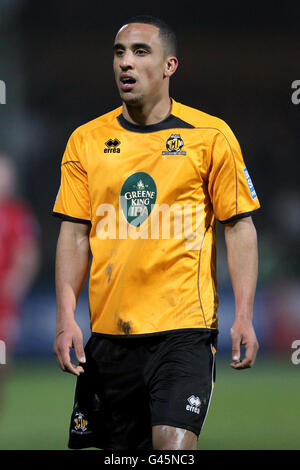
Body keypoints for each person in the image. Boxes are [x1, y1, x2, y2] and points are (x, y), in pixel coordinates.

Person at [52, 15, 260, 450]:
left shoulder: (210, 136)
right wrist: (65, 318)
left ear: (170, 66)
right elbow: (74, 234)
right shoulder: (86, 141)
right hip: (108, 338)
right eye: (119, 53)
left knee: (171, 447)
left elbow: (239, 227)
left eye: (140, 52)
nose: (125, 63)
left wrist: (244, 314)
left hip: (183, 332)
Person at [0, 155, 40, 409]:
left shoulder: (16, 214)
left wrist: (16, 283)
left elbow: (27, 253)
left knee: (1, 352)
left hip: (3, 300)